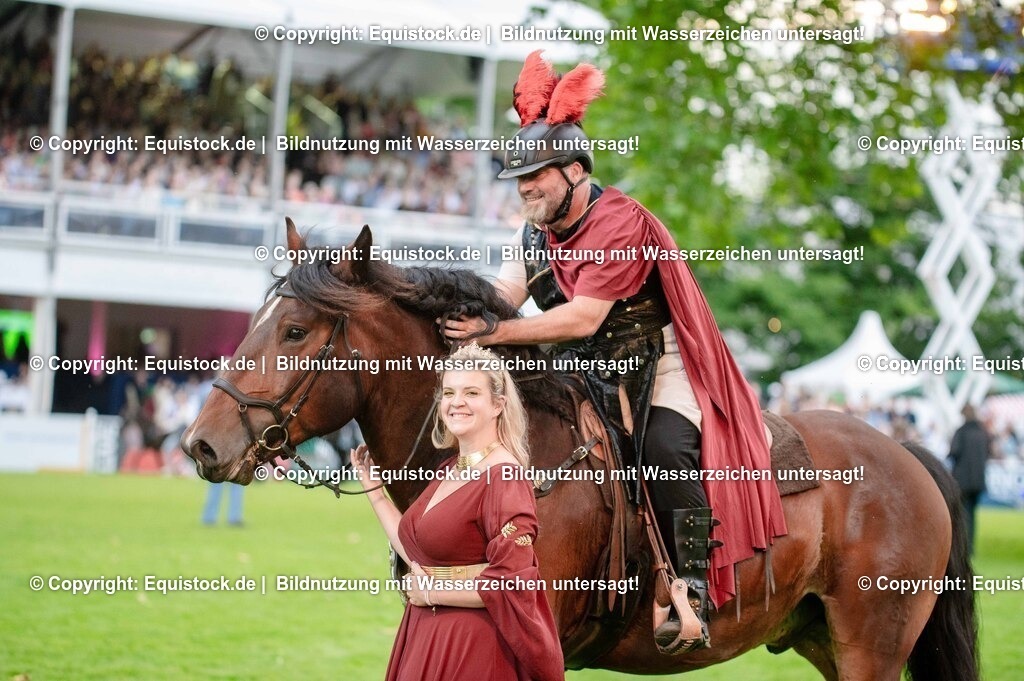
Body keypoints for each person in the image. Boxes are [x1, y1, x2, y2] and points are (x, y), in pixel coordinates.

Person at [441, 51, 786, 653]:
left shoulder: (619, 221)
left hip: (662, 359)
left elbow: (583, 315)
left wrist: (492, 333)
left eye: (537, 176)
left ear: (575, 170)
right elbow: (506, 292)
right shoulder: (533, 229)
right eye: (519, 179)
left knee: (662, 446)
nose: (525, 189)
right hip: (590, 367)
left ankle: (691, 585)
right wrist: (463, 310)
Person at [351, 343, 564, 681]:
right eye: (448, 392)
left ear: (497, 404)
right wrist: (376, 492)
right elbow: (420, 551)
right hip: (426, 632)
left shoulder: (504, 477)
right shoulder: (450, 469)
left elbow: (512, 584)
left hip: (474, 648)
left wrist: (432, 593)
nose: (456, 402)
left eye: (471, 392)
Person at [947, 404, 992, 553]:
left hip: (962, 480)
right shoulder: (983, 432)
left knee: (961, 515)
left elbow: (954, 452)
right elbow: (988, 453)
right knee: (972, 514)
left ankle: (962, 547)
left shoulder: (961, 432)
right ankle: (970, 547)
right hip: (978, 480)